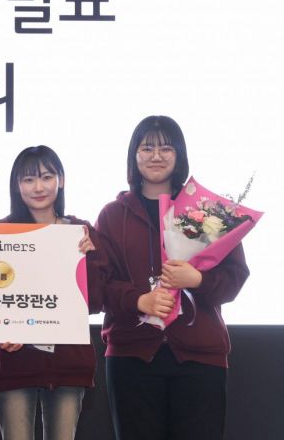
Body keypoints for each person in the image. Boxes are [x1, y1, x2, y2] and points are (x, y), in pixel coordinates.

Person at [96, 115, 250, 440]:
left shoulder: (208, 212)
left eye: (166, 148)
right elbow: (99, 285)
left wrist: (198, 280)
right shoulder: (112, 215)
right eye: (147, 148)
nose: (156, 156)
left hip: (199, 355)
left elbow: (235, 278)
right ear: (134, 155)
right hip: (131, 355)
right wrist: (139, 300)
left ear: (179, 155)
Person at [0, 145, 107, 440]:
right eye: (28, 179)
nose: (38, 187)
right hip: (14, 363)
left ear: (61, 180)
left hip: (67, 363)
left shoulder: (81, 231)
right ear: (17, 185)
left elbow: (96, 302)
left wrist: (89, 259)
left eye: (47, 177)